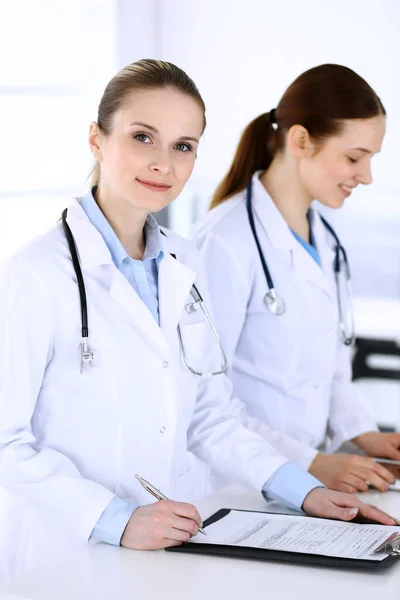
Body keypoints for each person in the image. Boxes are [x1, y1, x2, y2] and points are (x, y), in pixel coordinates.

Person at [0, 60, 396, 582]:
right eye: (143, 137)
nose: (164, 163)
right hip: (64, 553)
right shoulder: (36, 273)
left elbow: (210, 416)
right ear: (96, 139)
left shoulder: (182, 267)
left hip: (169, 541)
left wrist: (306, 491)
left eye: (183, 146)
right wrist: (112, 519)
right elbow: (7, 440)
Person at [192, 64, 400, 495]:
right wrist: (310, 463)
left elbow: (331, 372)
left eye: (370, 160)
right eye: (354, 157)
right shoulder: (224, 241)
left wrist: (364, 434)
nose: (366, 176)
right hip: (237, 486)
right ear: (301, 140)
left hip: (309, 483)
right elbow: (203, 397)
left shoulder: (323, 237)